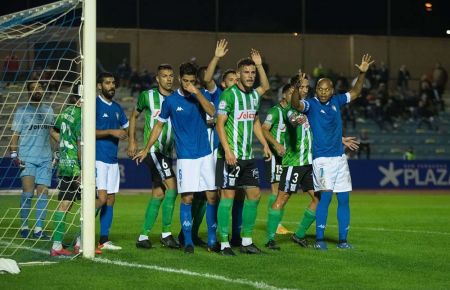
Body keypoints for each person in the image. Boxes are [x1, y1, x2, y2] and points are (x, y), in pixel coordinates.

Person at [290, 54, 375, 250]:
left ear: (332, 90)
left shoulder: (337, 101)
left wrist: (362, 73)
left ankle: (343, 241)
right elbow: (296, 104)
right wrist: (296, 87)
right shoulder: (311, 104)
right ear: (316, 90)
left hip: (339, 158)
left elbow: (355, 92)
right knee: (325, 198)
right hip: (322, 160)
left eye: (327, 89)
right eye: (320, 88)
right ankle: (319, 240)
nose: (323, 92)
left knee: (344, 199)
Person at [265, 76, 360, 250]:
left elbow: (318, 129)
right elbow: (294, 118)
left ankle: (299, 234)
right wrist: (295, 118)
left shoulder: (311, 107)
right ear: (292, 91)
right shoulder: (292, 110)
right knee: (283, 197)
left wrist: (339, 139)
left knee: (318, 199)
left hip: (310, 162)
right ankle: (270, 238)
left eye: (307, 87)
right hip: (295, 162)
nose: (305, 90)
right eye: (301, 87)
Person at [134, 62, 216, 254]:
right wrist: (146, 148)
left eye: (192, 81)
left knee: (211, 196)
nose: (188, 84)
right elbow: (158, 126)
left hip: (205, 154)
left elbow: (213, 112)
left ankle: (213, 240)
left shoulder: (200, 95)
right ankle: (187, 241)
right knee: (186, 197)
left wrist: (196, 92)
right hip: (185, 157)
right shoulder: (170, 102)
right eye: (185, 81)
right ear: (180, 79)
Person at [216, 50, 272, 256]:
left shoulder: (254, 96)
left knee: (255, 195)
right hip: (230, 157)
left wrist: (264, 143)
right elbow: (219, 125)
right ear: (238, 75)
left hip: (247, 157)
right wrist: (228, 151)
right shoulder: (228, 95)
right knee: (228, 197)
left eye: (252, 72)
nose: (250, 76)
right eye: (246, 72)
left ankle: (247, 241)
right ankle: (224, 244)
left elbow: (255, 119)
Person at [128, 64, 179, 250]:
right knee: (172, 187)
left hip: (167, 152)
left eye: (171, 75)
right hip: (153, 150)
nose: (168, 79)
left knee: (159, 193)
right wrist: (133, 141)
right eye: (164, 76)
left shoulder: (176, 98)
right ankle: (166, 234)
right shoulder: (147, 96)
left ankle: (143, 236)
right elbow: (133, 116)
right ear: (157, 79)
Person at [10, 81, 57, 240]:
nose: (37, 90)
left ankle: (38, 229)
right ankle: (24, 225)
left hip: (45, 158)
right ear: (29, 92)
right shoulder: (21, 111)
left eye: (40, 87)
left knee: (43, 193)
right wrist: (14, 154)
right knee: (28, 193)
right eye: (33, 88)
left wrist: (64, 143)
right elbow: (15, 135)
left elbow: (51, 132)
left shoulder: (49, 110)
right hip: (27, 158)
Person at [95, 72, 129, 252]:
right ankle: (81, 235)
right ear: (99, 86)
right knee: (100, 198)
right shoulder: (93, 105)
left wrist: (132, 143)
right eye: (107, 82)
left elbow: (127, 127)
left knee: (110, 199)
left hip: (112, 160)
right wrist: (111, 132)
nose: (111, 86)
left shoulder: (117, 108)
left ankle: (104, 239)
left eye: (113, 82)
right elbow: (87, 132)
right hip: (97, 159)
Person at [50, 91, 82, 256]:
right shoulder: (80, 115)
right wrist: (83, 167)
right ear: (80, 98)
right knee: (95, 201)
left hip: (64, 163)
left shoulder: (64, 113)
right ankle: (81, 242)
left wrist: (64, 145)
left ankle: (56, 245)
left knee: (65, 204)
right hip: (76, 165)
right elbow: (80, 143)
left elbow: (53, 131)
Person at [262, 83, 293, 235]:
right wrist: (276, 144)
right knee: (275, 190)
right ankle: (276, 224)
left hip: (288, 158)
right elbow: (264, 129)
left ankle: (276, 223)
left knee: (284, 191)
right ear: (284, 95)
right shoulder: (275, 111)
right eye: (291, 94)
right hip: (275, 156)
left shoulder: (293, 112)